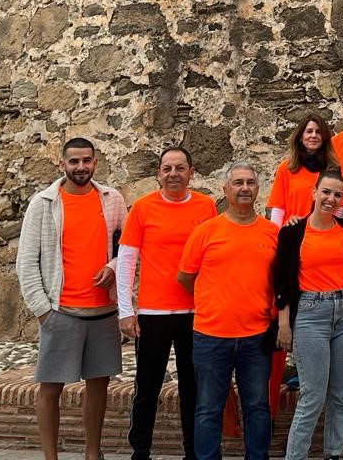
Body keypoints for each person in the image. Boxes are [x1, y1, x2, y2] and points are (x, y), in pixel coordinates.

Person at [15, 137, 127, 460]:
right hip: (60, 311)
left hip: (103, 312)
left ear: (95, 162)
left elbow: (128, 249)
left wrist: (112, 266)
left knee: (99, 386)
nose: (81, 167)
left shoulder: (112, 200)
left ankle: (92, 454)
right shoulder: (43, 203)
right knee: (51, 387)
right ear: (62, 163)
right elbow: (26, 261)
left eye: (86, 160)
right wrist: (42, 311)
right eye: (74, 161)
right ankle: (51, 457)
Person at [117, 146, 216, 460]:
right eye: (167, 168)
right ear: (158, 174)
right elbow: (126, 261)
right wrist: (125, 310)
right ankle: (140, 451)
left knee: (193, 387)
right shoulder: (142, 208)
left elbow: (213, 258)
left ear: (191, 173)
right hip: (153, 312)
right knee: (147, 387)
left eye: (180, 168)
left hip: (195, 313)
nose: (173, 174)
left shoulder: (205, 206)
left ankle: (193, 452)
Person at [178, 162, 278, 460]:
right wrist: (214, 302)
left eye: (250, 183)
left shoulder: (271, 232)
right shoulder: (206, 231)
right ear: (225, 190)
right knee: (208, 409)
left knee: (257, 407)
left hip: (257, 336)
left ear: (258, 189)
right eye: (238, 183)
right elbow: (185, 277)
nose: (244, 188)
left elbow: (280, 281)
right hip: (211, 335)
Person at [274, 170, 343, 460]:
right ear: (314, 192)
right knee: (312, 394)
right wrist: (284, 323)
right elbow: (282, 281)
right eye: (326, 192)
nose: (331, 199)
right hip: (311, 314)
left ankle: (333, 453)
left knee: (341, 393)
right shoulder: (292, 232)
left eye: (337, 194)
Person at [267, 112, 341, 225]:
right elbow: (278, 209)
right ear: (301, 137)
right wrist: (277, 234)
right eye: (309, 131)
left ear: (324, 137)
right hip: (292, 229)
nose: (314, 135)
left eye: (318, 132)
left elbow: (341, 207)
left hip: (323, 231)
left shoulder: (333, 168)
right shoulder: (286, 168)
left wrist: (332, 227)